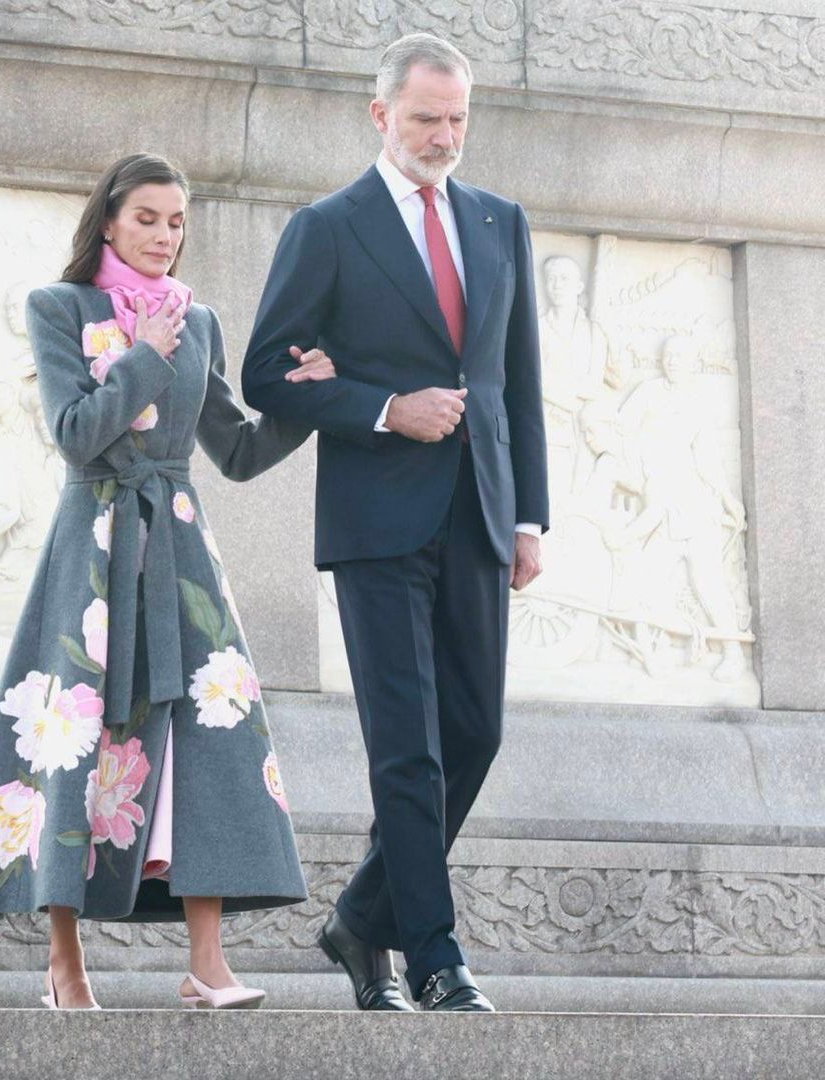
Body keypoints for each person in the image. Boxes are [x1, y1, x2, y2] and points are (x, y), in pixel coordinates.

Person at [0, 153, 334, 1010]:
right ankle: (64, 965)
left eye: (178, 221)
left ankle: (207, 964)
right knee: (74, 735)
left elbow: (235, 450)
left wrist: (306, 404)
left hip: (183, 550)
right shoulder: (59, 308)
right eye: (148, 218)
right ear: (109, 221)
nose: (164, 235)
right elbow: (77, 434)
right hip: (93, 549)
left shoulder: (200, 321)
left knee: (210, 729)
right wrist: (144, 356)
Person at [239, 33, 549, 1012]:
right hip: (377, 518)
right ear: (382, 116)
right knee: (406, 747)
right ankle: (433, 954)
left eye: (457, 119)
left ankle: (358, 921)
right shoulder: (328, 226)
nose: (444, 136)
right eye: (426, 119)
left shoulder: (502, 221)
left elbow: (518, 386)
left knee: (476, 735)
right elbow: (263, 373)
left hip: (481, 514)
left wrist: (531, 515)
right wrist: (381, 405)